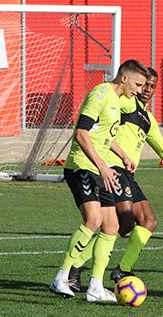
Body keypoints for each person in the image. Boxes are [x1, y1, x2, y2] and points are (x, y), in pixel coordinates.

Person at [66, 68, 163, 291]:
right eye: (143, 85)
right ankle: (76, 266)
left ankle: (122, 269)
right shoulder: (126, 103)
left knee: (148, 221)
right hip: (111, 168)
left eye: (151, 86)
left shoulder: (148, 119)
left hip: (128, 174)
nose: (146, 90)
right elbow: (108, 105)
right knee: (122, 222)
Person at [49, 59, 149, 303]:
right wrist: (102, 167)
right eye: (137, 84)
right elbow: (82, 134)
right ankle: (61, 277)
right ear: (124, 78)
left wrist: (123, 155)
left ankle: (95, 287)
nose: (140, 90)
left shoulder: (118, 101)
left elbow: (102, 135)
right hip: (82, 167)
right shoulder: (100, 94)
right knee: (92, 220)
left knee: (112, 227)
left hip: (100, 168)